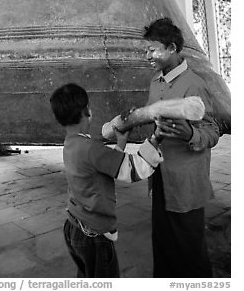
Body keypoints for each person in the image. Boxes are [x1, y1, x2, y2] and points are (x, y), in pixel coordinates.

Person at [49, 82, 163, 278]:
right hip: (93, 237)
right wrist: (155, 140)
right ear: (87, 111)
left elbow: (105, 166)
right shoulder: (91, 149)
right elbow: (133, 169)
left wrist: (120, 142)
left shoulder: (71, 143)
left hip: (74, 228)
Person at [139, 17, 220, 278]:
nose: (147, 55)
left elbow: (212, 131)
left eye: (153, 50)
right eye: (146, 49)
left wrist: (190, 134)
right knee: (163, 244)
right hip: (161, 175)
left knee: (189, 250)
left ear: (172, 48)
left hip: (185, 181)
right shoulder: (156, 82)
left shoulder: (194, 84)